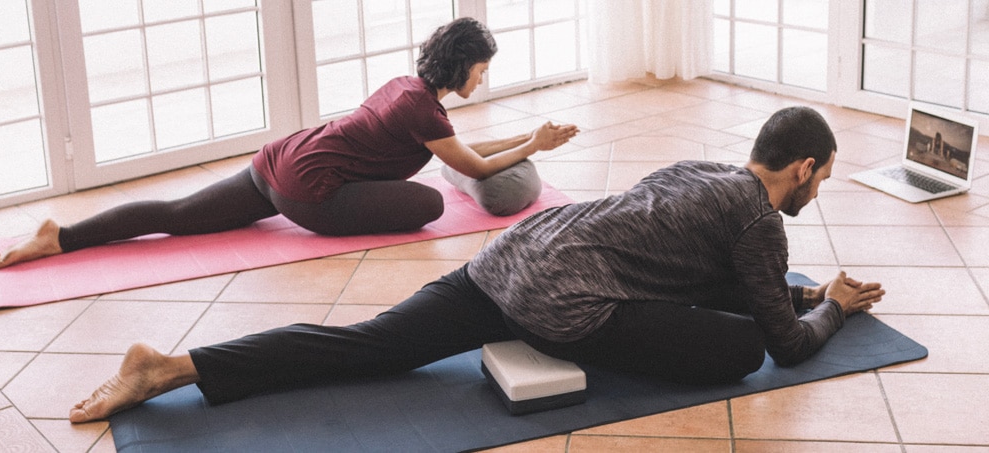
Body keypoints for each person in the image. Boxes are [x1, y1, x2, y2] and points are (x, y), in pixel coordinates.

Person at [68, 106, 885, 423]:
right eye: (823, 176)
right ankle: (171, 368)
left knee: (369, 343)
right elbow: (786, 346)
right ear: (805, 166)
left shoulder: (699, 172)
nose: (819, 188)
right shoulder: (759, 222)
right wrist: (833, 307)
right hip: (563, 303)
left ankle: (173, 365)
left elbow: (698, 268)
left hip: (511, 259)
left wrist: (799, 291)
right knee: (741, 347)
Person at [0, 17, 579, 270]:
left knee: (180, 214)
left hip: (277, 161)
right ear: (463, 66)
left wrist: (529, 138)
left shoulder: (408, 89)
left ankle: (61, 237)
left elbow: (462, 147)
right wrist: (536, 144)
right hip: (308, 194)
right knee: (427, 203)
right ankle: (60, 238)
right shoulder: (423, 110)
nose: (484, 79)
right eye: (482, 69)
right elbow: (473, 164)